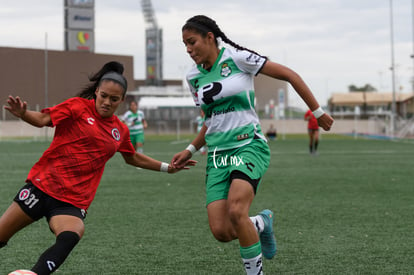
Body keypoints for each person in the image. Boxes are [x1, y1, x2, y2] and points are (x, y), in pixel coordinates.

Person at [171, 15, 334, 275]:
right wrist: (190, 149)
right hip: (218, 157)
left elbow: (290, 75)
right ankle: (261, 222)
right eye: (185, 45)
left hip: (248, 146)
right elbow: (210, 120)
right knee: (222, 232)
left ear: (210, 38)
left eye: (192, 42)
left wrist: (317, 111)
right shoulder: (192, 78)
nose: (189, 50)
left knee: (237, 210)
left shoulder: (238, 58)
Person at [0, 61, 195, 275]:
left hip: (72, 201)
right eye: (103, 96)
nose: (106, 102)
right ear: (96, 92)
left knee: (71, 235)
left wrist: (169, 168)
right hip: (42, 186)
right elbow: (44, 119)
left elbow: (133, 158)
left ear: (122, 100)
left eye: (113, 99)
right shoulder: (76, 106)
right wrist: (24, 114)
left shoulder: (120, 130)